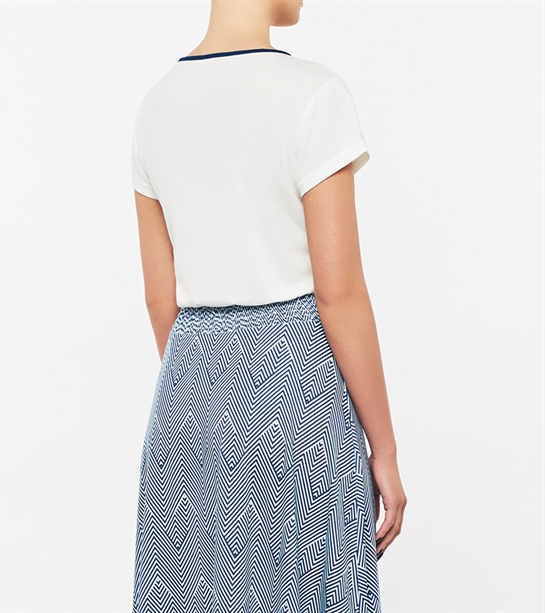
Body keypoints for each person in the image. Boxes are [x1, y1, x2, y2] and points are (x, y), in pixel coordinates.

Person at [130, 1, 407, 611]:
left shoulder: (157, 106)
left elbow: (159, 297)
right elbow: (339, 293)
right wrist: (383, 451)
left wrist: (208, 394)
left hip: (187, 396)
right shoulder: (313, 94)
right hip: (296, 383)